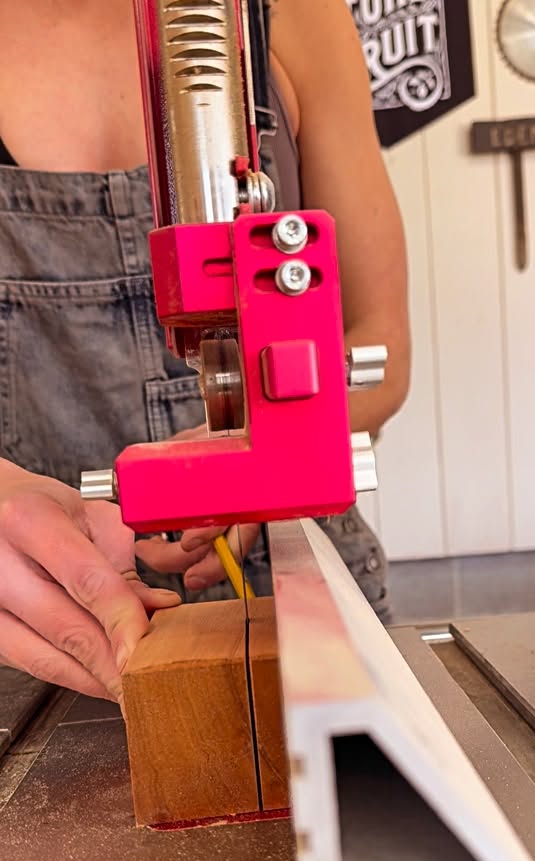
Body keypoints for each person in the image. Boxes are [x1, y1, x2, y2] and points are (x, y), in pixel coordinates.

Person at [0, 0, 410, 704]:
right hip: (43, 616)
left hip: (304, 587)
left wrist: (278, 448)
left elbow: (380, 346)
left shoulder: (295, 16)